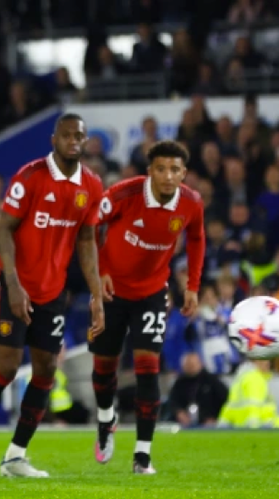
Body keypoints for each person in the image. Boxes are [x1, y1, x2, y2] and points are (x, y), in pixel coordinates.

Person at [0, 113, 105, 478]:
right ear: (54, 139)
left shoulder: (92, 186)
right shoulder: (30, 177)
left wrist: (97, 294)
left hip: (53, 291)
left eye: (79, 136)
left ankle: (15, 456)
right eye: (66, 135)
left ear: (84, 141)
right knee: (6, 367)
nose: (73, 141)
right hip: (14, 285)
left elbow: (86, 241)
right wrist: (14, 284)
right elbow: (4, 231)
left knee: (46, 371)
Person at [89, 140, 204, 474]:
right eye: (161, 169)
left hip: (152, 293)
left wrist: (193, 286)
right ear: (149, 171)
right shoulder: (125, 194)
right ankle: (106, 419)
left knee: (148, 367)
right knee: (104, 369)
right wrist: (101, 272)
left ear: (184, 173)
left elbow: (197, 238)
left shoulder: (191, 203)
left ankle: (142, 455)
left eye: (175, 170)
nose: (168, 176)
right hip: (112, 293)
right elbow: (90, 225)